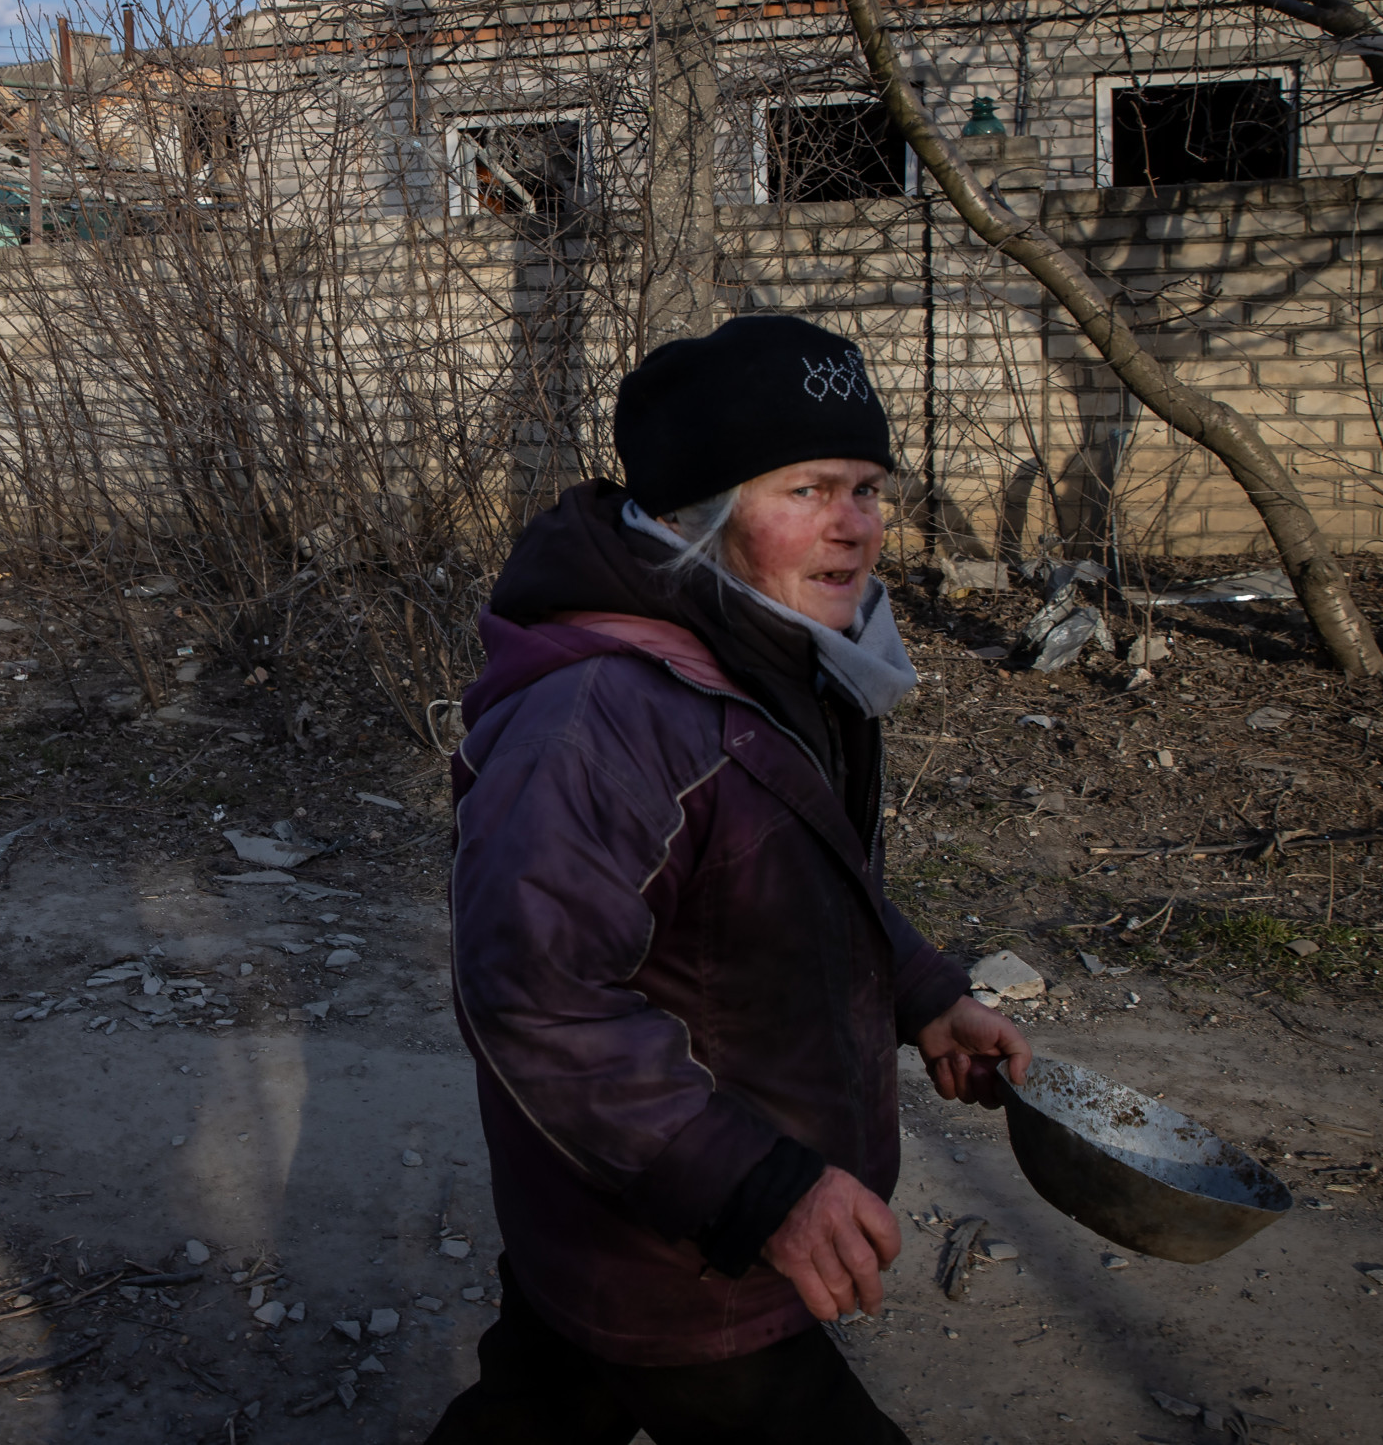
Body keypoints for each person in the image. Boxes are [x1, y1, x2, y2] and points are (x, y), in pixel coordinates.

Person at [426, 314, 1031, 1444]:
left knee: (541, 1407)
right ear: (697, 515)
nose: (857, 526)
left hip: (629, 1214)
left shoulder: (769, 652)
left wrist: (926, 993)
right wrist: (759, 1188)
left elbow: (802, 879)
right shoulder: (603, 715)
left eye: (866, 485)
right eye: (808, 488)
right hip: (682, 1240)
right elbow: (534, 993)